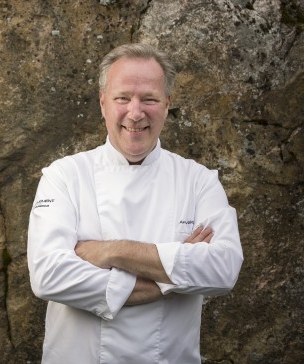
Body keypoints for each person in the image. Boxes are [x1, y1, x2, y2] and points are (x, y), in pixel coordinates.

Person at [27, 43, 244, 363]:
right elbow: (48, 276)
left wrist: (112, 251)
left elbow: (223, 269)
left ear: (167, 104)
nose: (136, 112)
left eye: (149, 99)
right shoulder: (65, 176)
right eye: (122, 98)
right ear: (103, 102)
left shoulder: (198, 181)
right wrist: (170, 277)